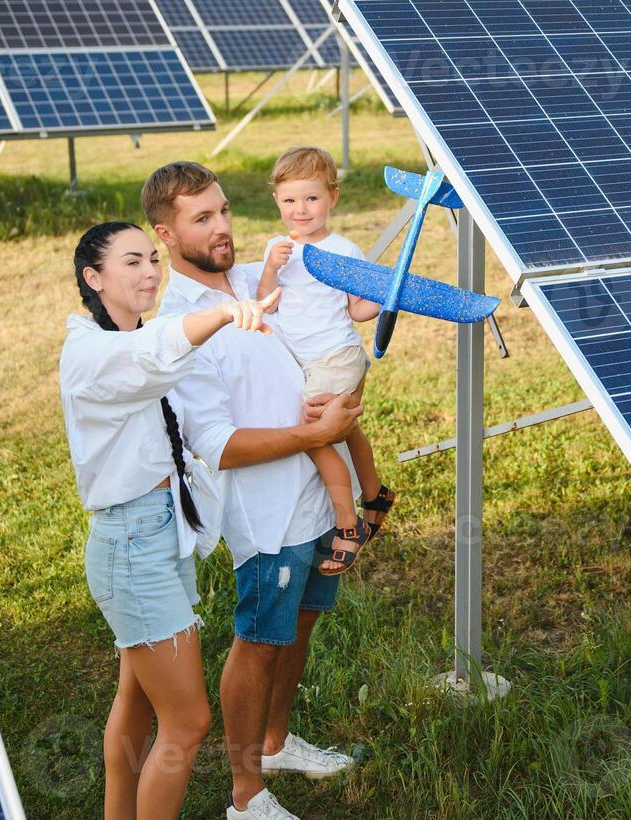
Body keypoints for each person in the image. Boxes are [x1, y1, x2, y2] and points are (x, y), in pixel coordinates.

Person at [145, 161, 363, 820]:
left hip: (318, 493)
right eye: (201, 218)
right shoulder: (181, 327)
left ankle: (274, 742)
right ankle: (246, 796)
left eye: (222, 211)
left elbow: (339, 319)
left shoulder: (253, 279)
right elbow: (221, 446)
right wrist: (313, 436)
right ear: (164, 232)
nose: (221, 228)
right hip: (266, 513)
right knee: (260, 638)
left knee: (300, 623)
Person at [59, 221, 278, 820]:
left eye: (153, 260)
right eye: (132, 263)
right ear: (93, 277)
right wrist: (229, 312)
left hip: (159, 536)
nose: (151, 272)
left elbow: (164, 354)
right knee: (188, 720)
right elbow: (153, 356)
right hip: (131, 547)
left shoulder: (134, 335)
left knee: (135, 698)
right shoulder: (90, 352)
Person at [256, 146, 395, 576]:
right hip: (308, 363)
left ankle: (348, 525)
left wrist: (386, 296)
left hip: (335, 356)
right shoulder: (277, 247)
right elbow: (266, 304)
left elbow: (357, 310)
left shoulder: (343, 249)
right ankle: (376, 496)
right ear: (278, 203)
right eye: (290, 201)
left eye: (311, 198)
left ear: (332, 197)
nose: (301, 210)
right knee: (347, 430)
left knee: (317, 436)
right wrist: (271, 268)